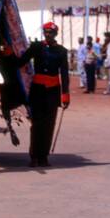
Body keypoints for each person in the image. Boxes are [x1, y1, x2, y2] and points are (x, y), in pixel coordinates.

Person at [18, 21, 70, 168]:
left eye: (51, 33)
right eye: (46, 32)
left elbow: (64, 74)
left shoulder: (62, 51)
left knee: (49, 125)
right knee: (37, 125)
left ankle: (44, 157)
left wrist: (65, 95)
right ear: (43, 33)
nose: (48, 35)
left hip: (53, 92)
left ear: (56, 34)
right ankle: (34, 156)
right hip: (38, 90)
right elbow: (22, 61)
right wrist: (7, 54)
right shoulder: (36, 47)